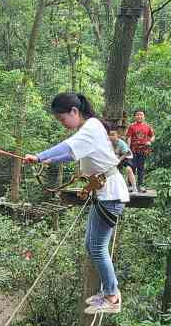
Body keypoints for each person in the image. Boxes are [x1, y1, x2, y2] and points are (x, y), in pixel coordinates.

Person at [24, 92, 129, 314]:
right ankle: (108, 292)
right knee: (92, 246)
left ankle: (112, 297)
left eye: (62, 119)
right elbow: (72, 154)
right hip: (104, 194)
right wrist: (50, 159)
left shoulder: (91, 126)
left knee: (98, 248)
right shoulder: (89, 129)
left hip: (110, 195)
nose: (62, 124)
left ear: (74, 111)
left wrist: (40, 156)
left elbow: (68, 147)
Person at [126, 110, 155, 192]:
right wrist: (128, 149)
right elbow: (129, 137)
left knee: (141, 168)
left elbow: (153, 136)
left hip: (143, 151)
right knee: (132, 167)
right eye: (137, 115)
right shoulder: (132, 126)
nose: (139, 116)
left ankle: (140, 185)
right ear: (135, 116)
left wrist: (150, 141)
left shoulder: (147, 126)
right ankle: (131, 185)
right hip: (133, 150)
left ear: (144, 116)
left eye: (141, 115)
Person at [108, 127, 137, 194]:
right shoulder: (108, 143)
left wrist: (118, 160)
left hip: (127, 156)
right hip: (116, 157)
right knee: (114, 172)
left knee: (128, 169)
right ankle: (117, 188)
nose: (111, 136)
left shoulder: (121, 143)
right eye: (110, 135)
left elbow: (126, 153)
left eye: (113, 134)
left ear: (117, 135)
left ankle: (134, 187)